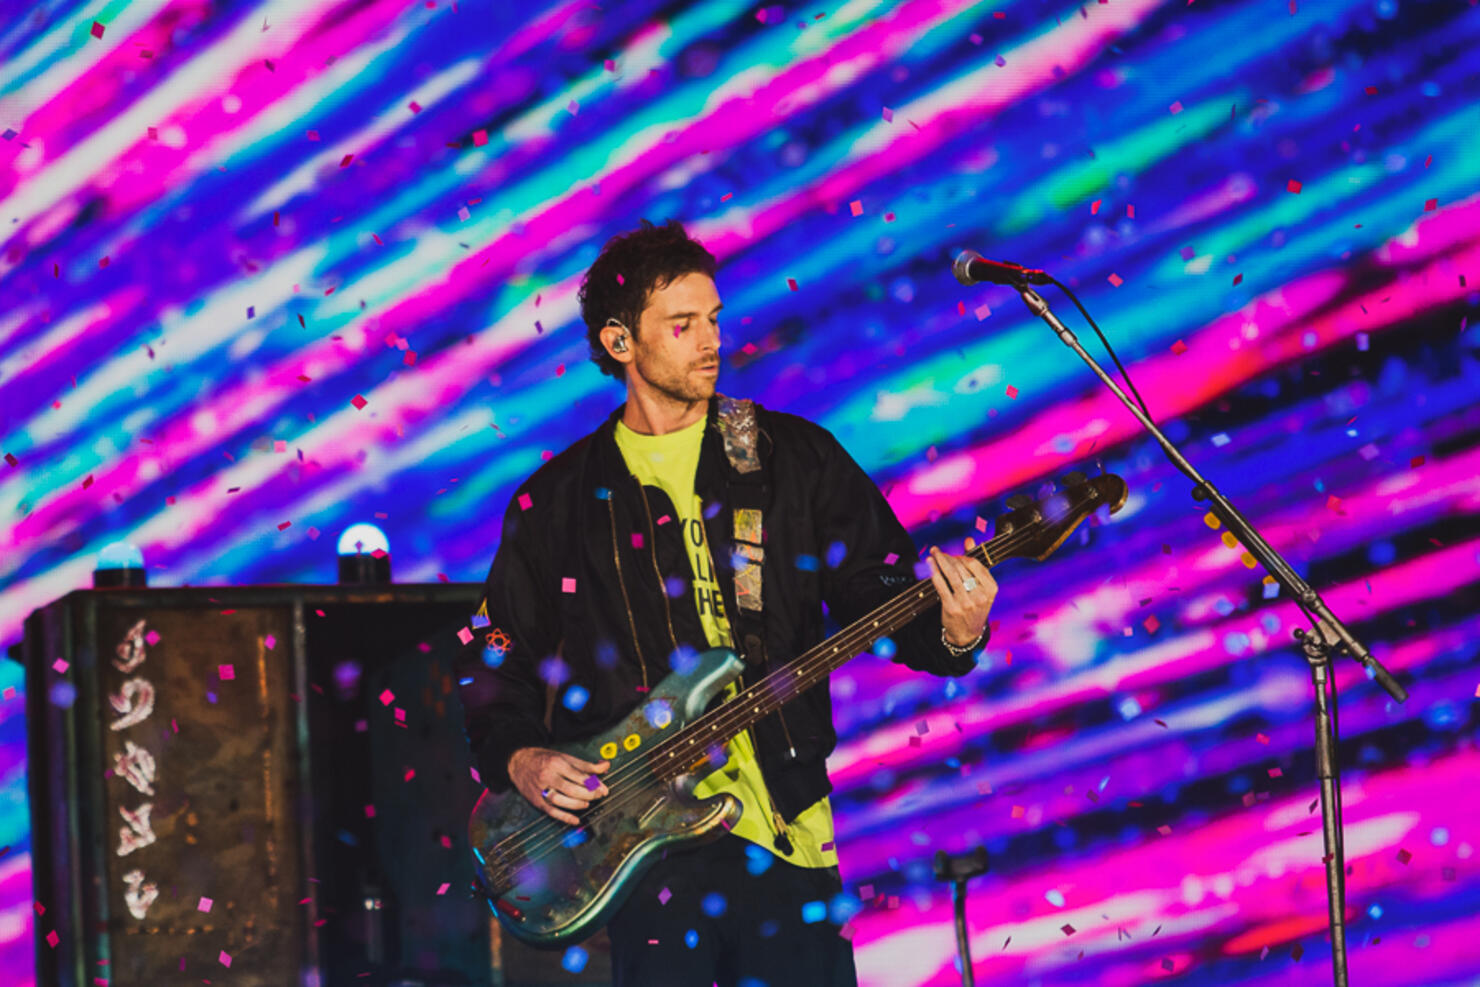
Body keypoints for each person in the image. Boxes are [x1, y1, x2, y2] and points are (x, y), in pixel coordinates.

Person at [455, 219, 998, 987]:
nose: (709, 340)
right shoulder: (560, 503)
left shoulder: (788, 456)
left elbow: (877, 590)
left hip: (785, 829)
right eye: (682, 326)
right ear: (620, 343)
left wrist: (955, 629)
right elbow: (491, 659)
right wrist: (523, 757)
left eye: (712, 319)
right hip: (647, 851)